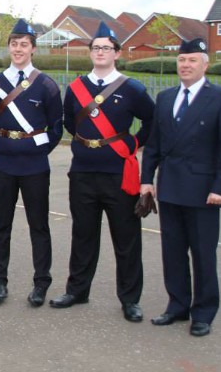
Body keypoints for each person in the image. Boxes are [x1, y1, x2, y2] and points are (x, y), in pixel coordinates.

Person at [49, 21, 155, 322]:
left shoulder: (132, 89)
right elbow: (70, 120)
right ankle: (77, 290)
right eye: (96, 48)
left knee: (126, 238)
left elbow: (152, 121)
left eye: (106, 48)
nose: (100, 52)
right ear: (90, 52)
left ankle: (130, 299)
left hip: (118, 173)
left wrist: (133, 142)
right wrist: (88, 142)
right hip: (82, 171)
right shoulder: (77, 88)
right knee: (83, 235)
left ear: (117, 53)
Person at [141, 38, 221, 337]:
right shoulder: (166, 97)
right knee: (172, 252)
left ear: (205, 64)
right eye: (182, 60)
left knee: (202, 253)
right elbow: (154, 144)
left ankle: (204, 312)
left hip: (203, 191)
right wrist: (147, 180)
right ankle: (177, 306)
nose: (185, 65)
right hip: (170, 187)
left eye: (192, 60)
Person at [0, 19, 63, 307]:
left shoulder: (47, 85)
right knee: (0, 225)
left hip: (35, 167)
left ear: (33, 48)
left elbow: (55, 129)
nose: (18, 49)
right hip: (3, 164)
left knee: (38, 226)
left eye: (24, 44)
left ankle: (41, 283)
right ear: (9, 47)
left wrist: (33, 149)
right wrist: (4, 147)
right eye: (14, 44)